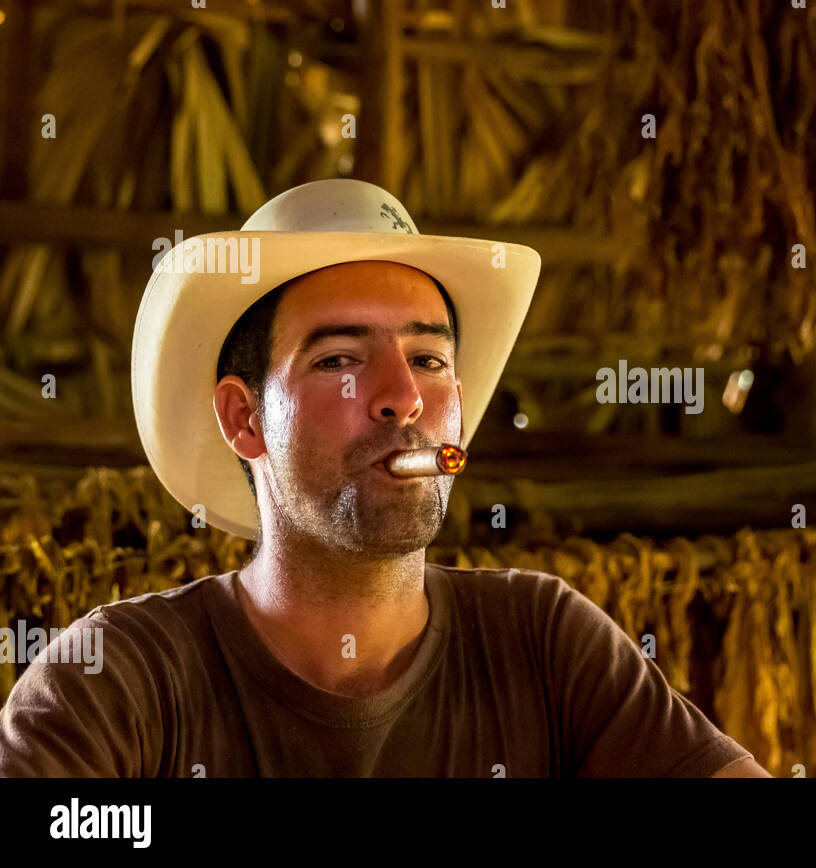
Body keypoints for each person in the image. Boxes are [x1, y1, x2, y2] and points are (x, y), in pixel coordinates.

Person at [0, 179, 768, 777]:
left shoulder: (543, 643)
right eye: (339, 360)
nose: (403, 396)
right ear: (244, 420)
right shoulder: (115, 683)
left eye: (429, 360)